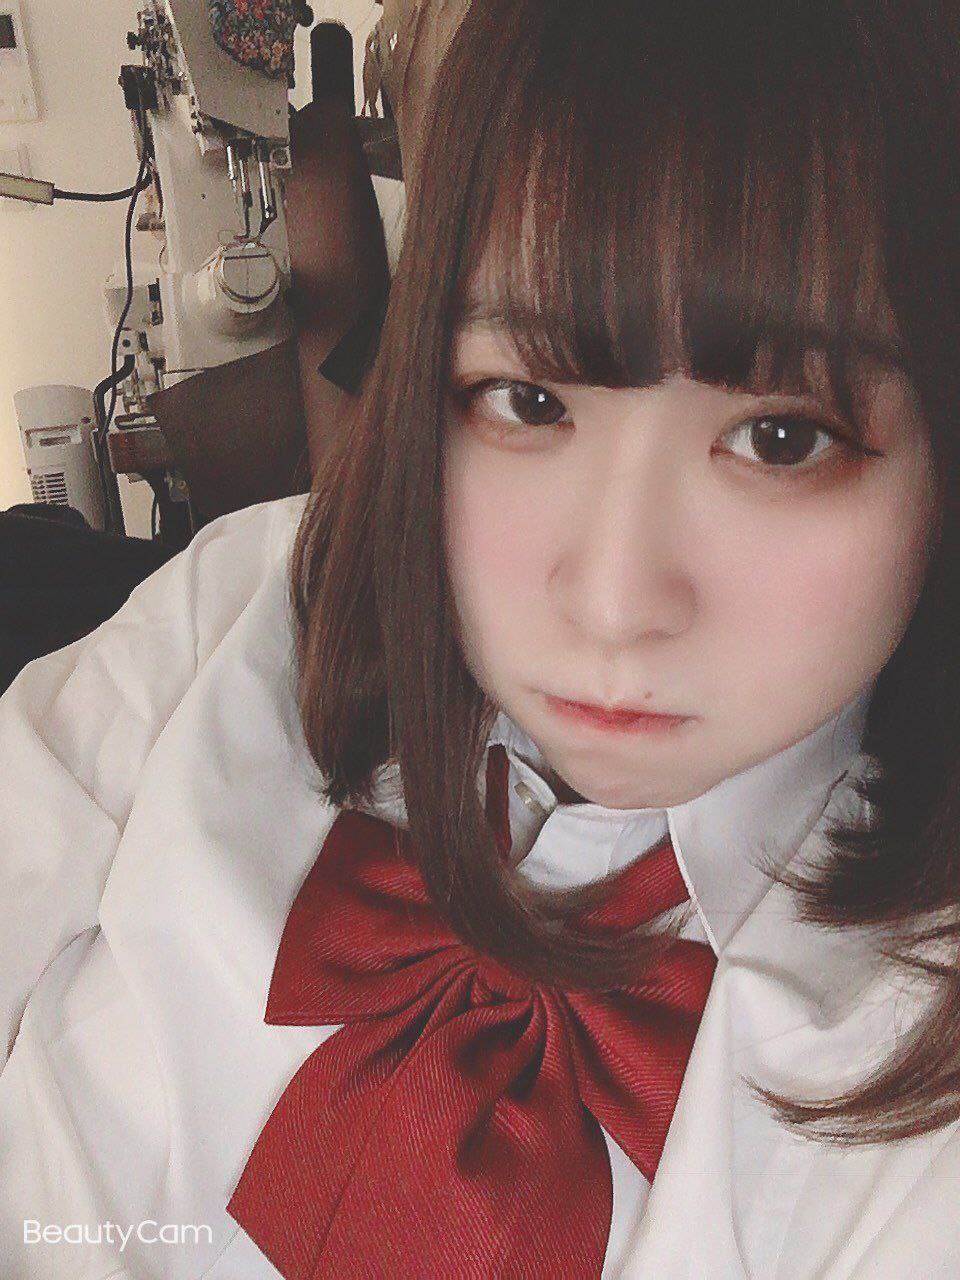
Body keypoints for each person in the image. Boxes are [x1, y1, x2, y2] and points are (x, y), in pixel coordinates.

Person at [1, 1, 959, 1276]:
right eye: (527, 398)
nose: (612, 600)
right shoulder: (250, 606)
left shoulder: (921, 1088)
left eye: (782, 438)